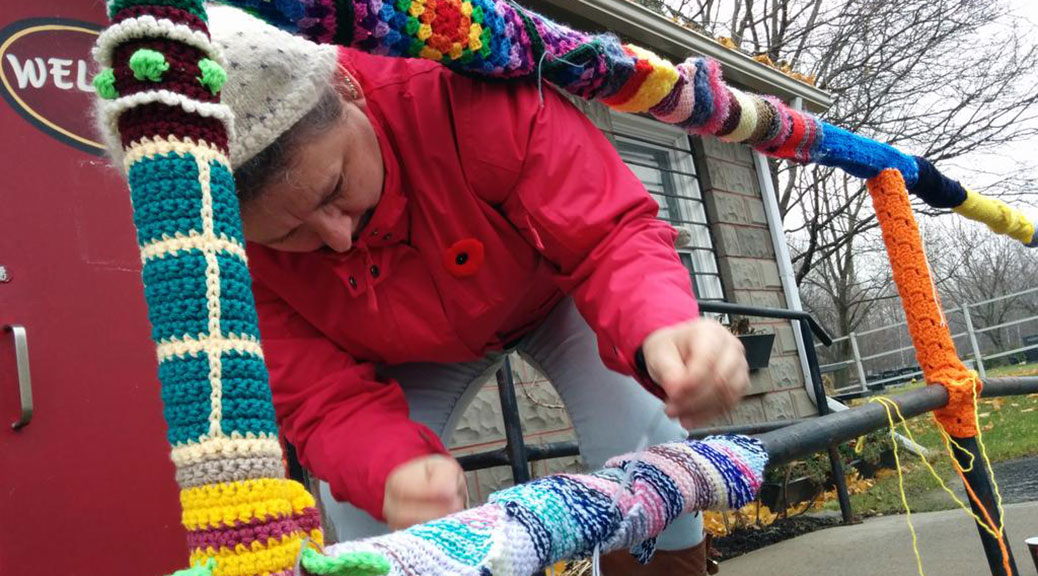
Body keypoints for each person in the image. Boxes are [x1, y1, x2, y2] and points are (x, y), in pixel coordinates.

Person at [208, 6, 749, 574]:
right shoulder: (228, 255)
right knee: (363, 502)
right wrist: (391, 468)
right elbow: (318, 396)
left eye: (335, 186)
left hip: (555, 289)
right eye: (287, 234)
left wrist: (660, 325)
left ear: (347, 88)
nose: (338, 237)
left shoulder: (460, 87)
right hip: (408, 350)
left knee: (644, 431)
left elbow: (606, 233)